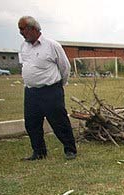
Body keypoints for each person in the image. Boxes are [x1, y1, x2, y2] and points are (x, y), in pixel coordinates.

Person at [17, 16, 77, 161]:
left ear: (33, 29)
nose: (21, 33)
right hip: (31, 91)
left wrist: (58, 85)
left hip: (51, 90)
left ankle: (70, 149)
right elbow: (25, 66)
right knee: (31, 123)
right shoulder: (23, 47)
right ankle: (39, 152)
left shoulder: (52, 45)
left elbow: (64, 67)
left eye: (22, 29)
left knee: (59, 121)